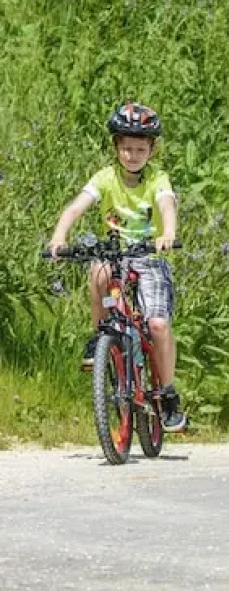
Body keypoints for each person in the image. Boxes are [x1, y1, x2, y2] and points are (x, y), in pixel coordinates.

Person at [48, 102, 187, 432]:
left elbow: (166, 204)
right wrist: (58, 237)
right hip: (115, 255)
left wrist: (168, 233)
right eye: (126, 148)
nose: (132, 155)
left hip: (149, 256)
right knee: (98, 270)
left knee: (156, 324)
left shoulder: (158, 178)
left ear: (152, 150)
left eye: (140, 149)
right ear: (116, 148)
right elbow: (75, 208)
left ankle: (167, 393)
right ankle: (101, 336)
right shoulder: (105, 178)